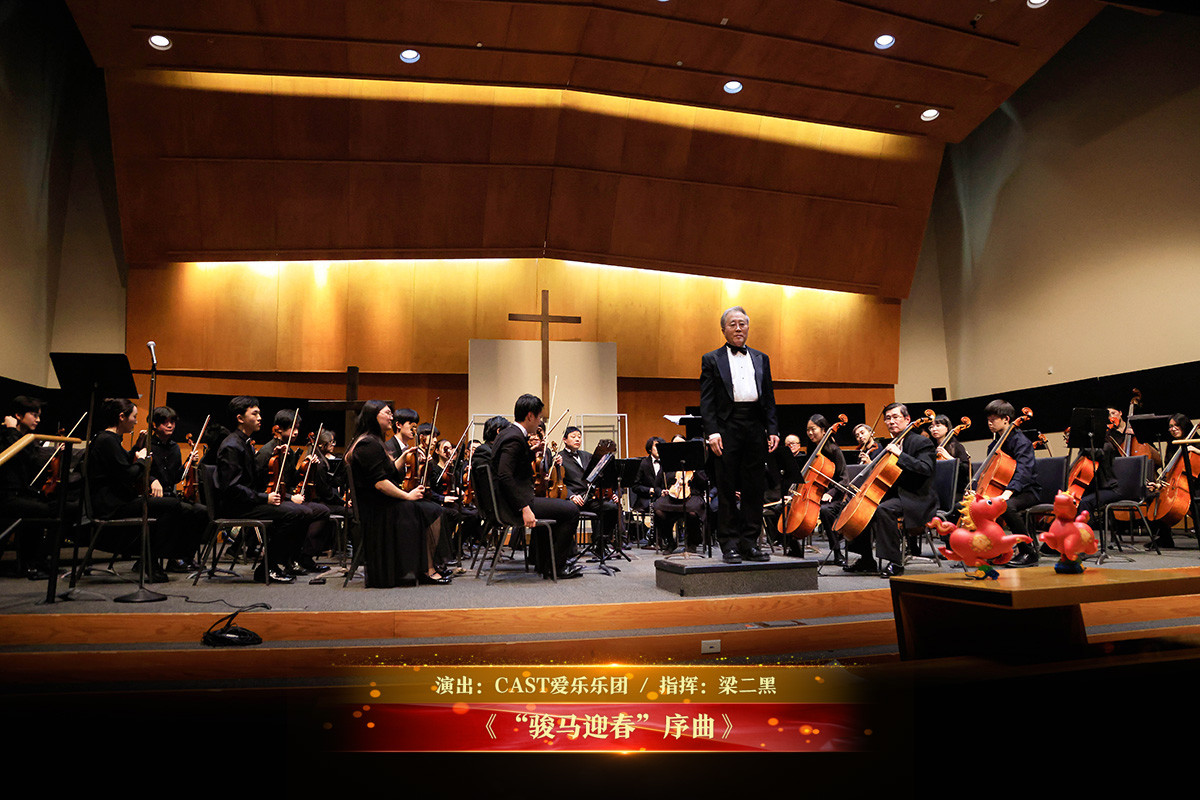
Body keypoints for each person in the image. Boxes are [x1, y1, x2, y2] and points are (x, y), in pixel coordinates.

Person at [86, 398, 202, 582]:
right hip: (112, 504)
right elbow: (128, 474)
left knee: (186, 508)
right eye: (134, 416)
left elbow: (123, 465)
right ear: (121, 417)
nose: (135, 421)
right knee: (172, 506)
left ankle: (167, 557)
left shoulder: (110, 439)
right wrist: (142, 461)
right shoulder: (107, 440)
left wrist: (188, 463)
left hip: (117, 500)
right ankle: (152, 560)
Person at [699, 306, 779, 564]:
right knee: (726, 488)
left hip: (755, 426)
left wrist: (772, 429)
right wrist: (712, 432)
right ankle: (730, 545)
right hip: (726, 427)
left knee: (754, 488)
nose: (738, 328)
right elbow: (707, 401)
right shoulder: (711, 359)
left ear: (748, 327)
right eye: (732, 324)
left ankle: (749, 543)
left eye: (742, 324)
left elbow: (769, 397)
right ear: (723, 329)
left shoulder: (761, 358)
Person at [346, 400, 450, 586]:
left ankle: (427, 567)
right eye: (387, 413)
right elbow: (380, 483)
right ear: (373, 415)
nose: (391, 417)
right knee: (431, 510)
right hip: (377, 509)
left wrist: (405, 456)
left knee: (430, 508)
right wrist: (407, 496)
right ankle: (427, 569)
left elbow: (390, 471)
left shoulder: (373, 441)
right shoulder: (368, 443)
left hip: (381, 504)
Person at [215, 396, 316, 583]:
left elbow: (255, 480)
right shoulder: (232, 446)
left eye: (259, 413)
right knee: (294, 513)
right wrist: (264, 497)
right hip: (236, 506)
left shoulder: (244, 442)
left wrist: (279, 460)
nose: (260, 417)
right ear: (240, 418)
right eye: (255, 414)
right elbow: (231, 488)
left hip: (248, 501)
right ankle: (267, 568)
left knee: (303, 511)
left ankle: (280, 562)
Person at [837, 403, 936, 577]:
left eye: (896, 417)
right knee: (862, 507)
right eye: (888, 418)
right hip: (895, 494)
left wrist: (900, 454)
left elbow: (926, 469)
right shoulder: (890, 443)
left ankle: (895, 562)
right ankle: (867, 559)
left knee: (884, 509)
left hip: (916, 496)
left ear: (907, 419)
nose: (891, 421)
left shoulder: (921, 442)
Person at [491, 394, 581, 579]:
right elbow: (505, 475)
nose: (540, 422)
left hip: (512, 501)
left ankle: (546, 564)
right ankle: (556, 567)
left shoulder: (508, 434)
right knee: (571, 510)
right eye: (539, 417)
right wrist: (524, 508)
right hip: (513, 506)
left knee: (559, 508)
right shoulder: (514, 438)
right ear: (530, 416)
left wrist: (533, 453)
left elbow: (516, 467)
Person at [0, 396, 72, 579]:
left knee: (61, 507)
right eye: (34, 415)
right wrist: (10, 430)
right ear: (18, 415)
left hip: (21, 493)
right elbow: (18, 454)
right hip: (6, 495)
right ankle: (31, 564)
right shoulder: (5, 435)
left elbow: (33, 462)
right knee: (42, 510)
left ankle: (40, 561)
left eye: (39, 416)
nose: (38, 420)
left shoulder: (27, 438)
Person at [980, 399, 1040, 567]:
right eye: (988, 420)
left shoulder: (1022, 442)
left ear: (1006, 419)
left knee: (1006, 506)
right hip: (1003, 490)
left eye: (993, 419)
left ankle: (1028, 552)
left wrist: (1009, 491)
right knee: (976, 506)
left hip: (1027, 491)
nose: (989, 423)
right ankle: (994, 549)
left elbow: (1024, 471)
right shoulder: (994, 445)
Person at [556, 426, 620, 550]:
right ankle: (568, 549)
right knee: (568, 512)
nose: (577, 439)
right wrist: (571, 496)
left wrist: (609, 492)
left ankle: (600, 544)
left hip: (590, 497)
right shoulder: (559, 458)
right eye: (573, 437)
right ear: (564, 440)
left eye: (579, 437)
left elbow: (599, 476)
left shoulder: (587, 455)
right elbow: (559, 483)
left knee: (612, 508)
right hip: (573, 499)